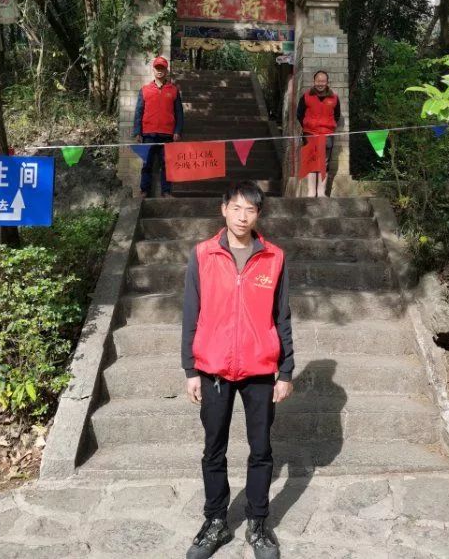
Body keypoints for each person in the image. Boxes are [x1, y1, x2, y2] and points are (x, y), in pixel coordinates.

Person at [181, 180, 294, 559]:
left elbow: (282, 316)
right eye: (236, 208)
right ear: (224, 209)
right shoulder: (203, 254)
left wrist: (286, 371)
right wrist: (190, 369)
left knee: (261, 449)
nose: (243, 216)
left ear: (258, 214)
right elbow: (191, 314)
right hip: (213, 368)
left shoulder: (274, 257)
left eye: (251, 209)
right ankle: (215, 521)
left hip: (260, 369)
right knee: (214, 449)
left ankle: (258, 524)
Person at [132, 56, 183, 198]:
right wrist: (137, 132)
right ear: (153, 70)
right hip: (148, 134)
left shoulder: (174, 90)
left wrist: (177, 131)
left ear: (166, 71)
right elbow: (138, 112)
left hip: (167, 134)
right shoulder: (144, 90)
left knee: (167, 164)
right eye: (157, 68)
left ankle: (166, 192)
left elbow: (179, 113)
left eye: (162, 68)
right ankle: (144, 191)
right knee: (147, 164)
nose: (159, 71)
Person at [296, 70, 341, 197]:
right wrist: (308, 126)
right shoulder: (306, 96)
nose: (320, 83)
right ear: (314, 81)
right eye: (318, 81)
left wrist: (328, 125)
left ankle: (321, 192)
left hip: (327, 134)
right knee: (311, 162)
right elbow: (299, 114)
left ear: (327, 82)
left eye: (323, 81)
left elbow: (337, 115)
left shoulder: (334, 98)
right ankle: (311, 192)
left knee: (324, 163)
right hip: (310, 134)